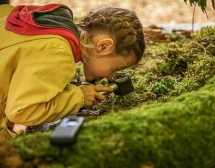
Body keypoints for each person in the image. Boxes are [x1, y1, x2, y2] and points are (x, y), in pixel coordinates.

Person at [0, 3, 146, 141]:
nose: (110, 77)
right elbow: (22, 111)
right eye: (116, 68)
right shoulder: (58, 52)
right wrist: (78, 96)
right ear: (104, 46)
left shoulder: (47, 29)